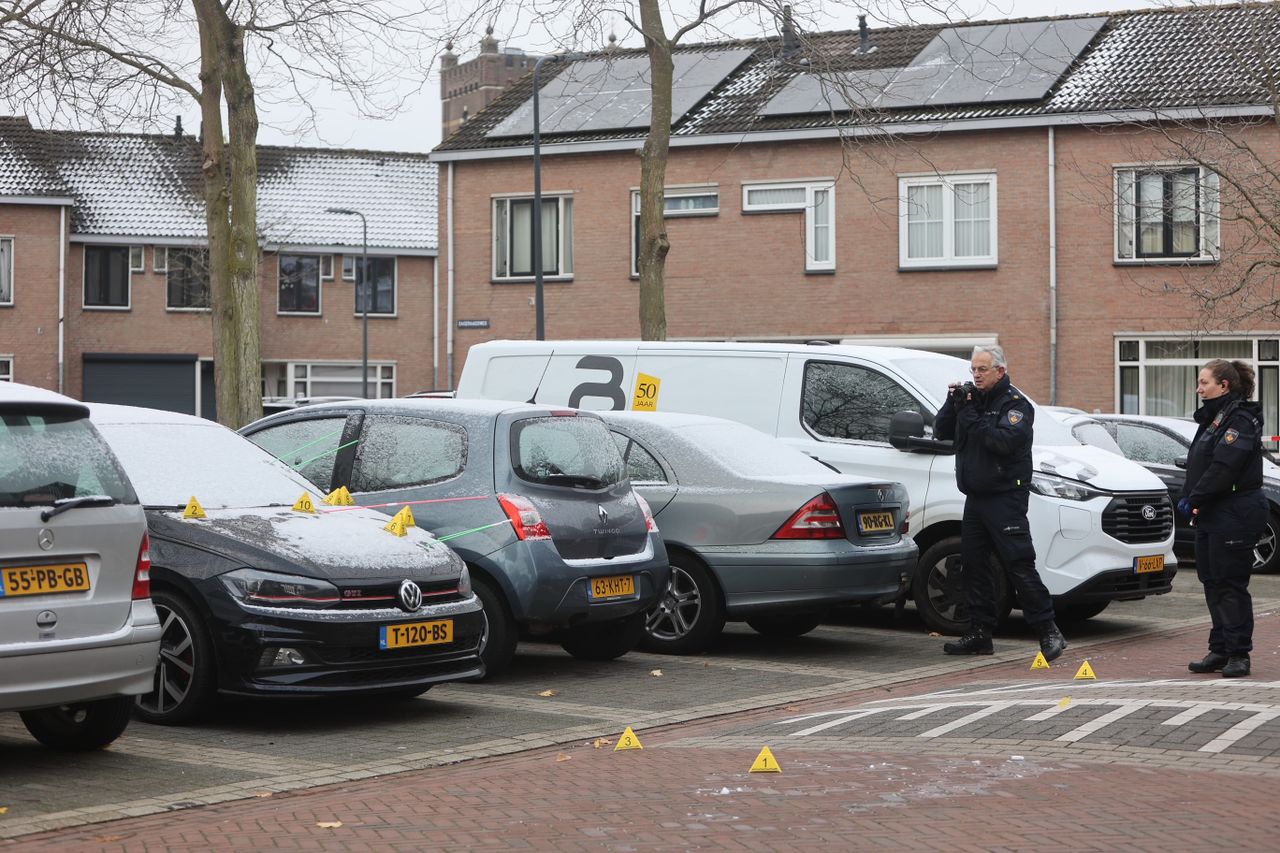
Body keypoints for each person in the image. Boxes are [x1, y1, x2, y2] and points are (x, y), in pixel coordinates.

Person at [934, 345, 1067, 660]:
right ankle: (980, 633)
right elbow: (941, 432)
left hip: (1005, 496)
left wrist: (968, 413)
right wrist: (952, 404)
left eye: (982, 370)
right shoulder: (971, 401)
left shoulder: (1015, 405)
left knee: (1019, 564)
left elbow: (1001, 443)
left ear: (1000, 372)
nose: (976, 376)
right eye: (973, 370)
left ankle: (1050, 631)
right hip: (976, 498)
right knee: (973, 566)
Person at [1179, 358, 1266, 678]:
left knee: (1230, 584)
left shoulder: (1239, 419)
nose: (1198, 388)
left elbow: (1223, 467)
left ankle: (1239, 653)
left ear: (1223, 385)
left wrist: (1194, 498)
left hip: (1235, 512)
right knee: (1212, 582)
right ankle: (1220, 649)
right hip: (1213, 514)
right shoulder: (1215, 418)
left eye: (1204, 382)